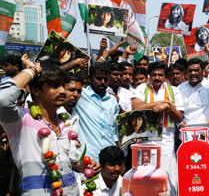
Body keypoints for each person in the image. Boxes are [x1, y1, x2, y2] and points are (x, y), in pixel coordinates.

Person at [0, 58, 100, 195]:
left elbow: (61, 160)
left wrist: (78, 165)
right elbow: (3, 99)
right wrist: (31, 70)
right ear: (36, 90)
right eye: (54, 86)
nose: (62, 91)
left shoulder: (65, 122)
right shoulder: (21, 120)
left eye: (62, 85)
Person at [132, 61, 184, 196]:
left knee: (168, 179)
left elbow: (179, 117)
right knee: (145, 178)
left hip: (166, 141)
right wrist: (162, 103)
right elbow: (136, 107)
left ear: (165, 76)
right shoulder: (141, 88)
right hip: (145, 140)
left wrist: (168, 108)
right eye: (154, 74)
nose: (156, 78)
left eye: (160, 75)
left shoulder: (174, 91)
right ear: (149, 75)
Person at [74, 62, 120, 163]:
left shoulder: (112, 101)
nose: (102, 82)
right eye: (98, 78)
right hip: (88, 157)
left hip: (109, 159)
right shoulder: (80, 96)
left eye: (106, 79)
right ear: (89, 78)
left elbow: (114, 130)